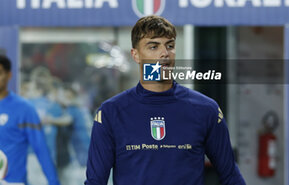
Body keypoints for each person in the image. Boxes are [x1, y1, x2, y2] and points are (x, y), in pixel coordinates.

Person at [85, 16, 246, 185]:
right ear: (136, 55)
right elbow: (95, 182)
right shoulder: (111, 112)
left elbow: (231, 176)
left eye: (170, 45)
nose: (164, 53)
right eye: (153, 46)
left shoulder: (206, 109)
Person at [0, 55, 60, 185]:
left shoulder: (24, 109)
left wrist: (53, 181)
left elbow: (41, 148)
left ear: (9, 75)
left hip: (13, 182)